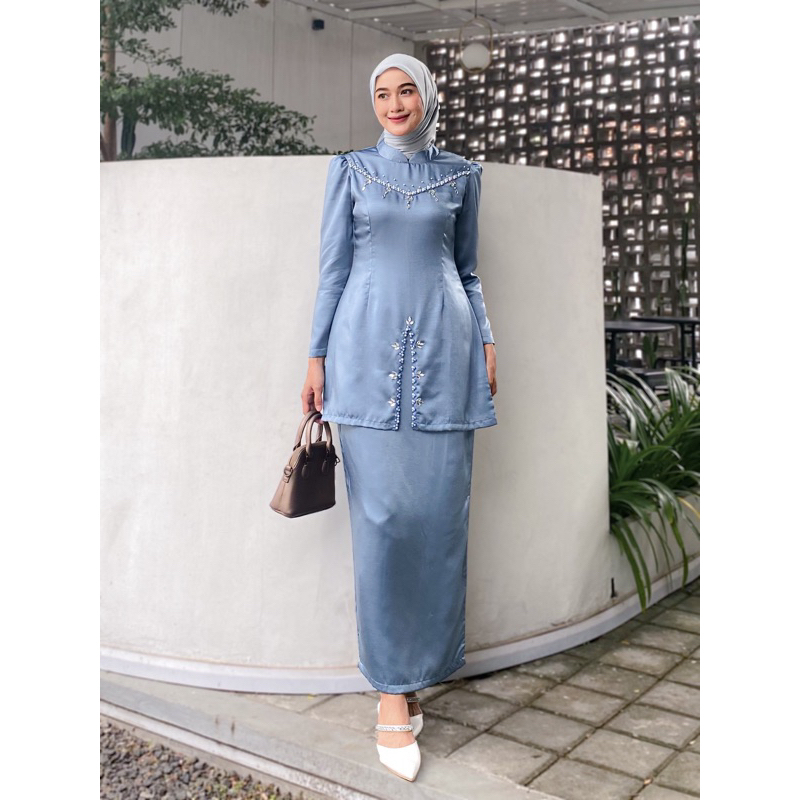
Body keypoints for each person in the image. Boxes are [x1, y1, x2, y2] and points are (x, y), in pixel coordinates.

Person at [301, 53, 498, 782]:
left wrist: (487, 340)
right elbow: (333, 269)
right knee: (382, 521)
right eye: (382, 92)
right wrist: (315, 356)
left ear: (427, 96)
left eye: (406, 89)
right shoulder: (350, 171)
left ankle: (419, 672)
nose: (394, 103)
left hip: (448, 354)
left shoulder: (463, 175)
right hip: (362, 355)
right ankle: (390, 689)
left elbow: (468, 270)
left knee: (438, 521)